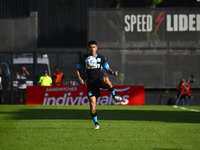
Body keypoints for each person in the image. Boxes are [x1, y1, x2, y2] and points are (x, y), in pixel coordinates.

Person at [76, 40, 122, 129]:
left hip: (100, 79)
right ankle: (96, 124)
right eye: (90, 47)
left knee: (106, 79)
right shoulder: (84, 59)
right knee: (92, 105)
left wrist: (113, 73)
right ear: (88, 48)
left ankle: (114, 96)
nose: (92, 49)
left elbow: (107, 69)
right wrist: (80, 78)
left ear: (97, 48)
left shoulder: (101, 58)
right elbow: (77, 69)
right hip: (91, 83)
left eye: (94, 47)